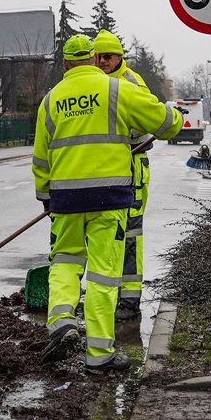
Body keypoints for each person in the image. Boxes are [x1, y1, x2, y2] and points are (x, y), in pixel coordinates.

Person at [33, 34, 183, 372]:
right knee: (103, 274)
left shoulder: (50, 101)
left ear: (66, 64)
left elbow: (41, 161)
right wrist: (174, 116)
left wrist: (46, 198)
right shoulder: (118, 90)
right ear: (93, 59)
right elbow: (166, 124)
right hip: (109, 197)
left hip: (65, 199)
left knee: (65, 262)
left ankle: (60, 321)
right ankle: (99, 356)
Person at [92, 29, 158, 321]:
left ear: (120, 57)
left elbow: (145, 124)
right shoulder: (91, 82)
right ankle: (106, 293)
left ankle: (129, 300)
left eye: (107, 56)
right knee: (106, 235)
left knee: (129, 235)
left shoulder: (131, 83)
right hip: (103, 170)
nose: (102, 61)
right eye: (98, 56)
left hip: (131, 171)